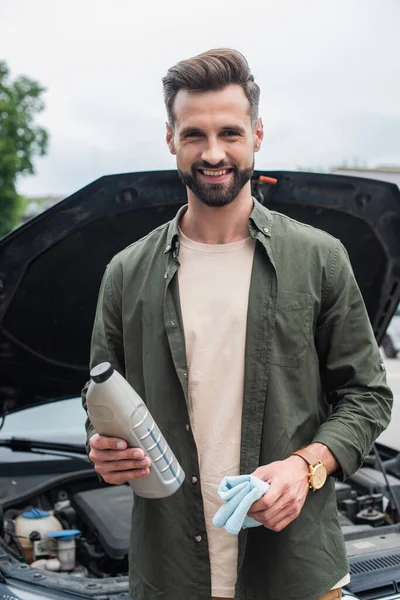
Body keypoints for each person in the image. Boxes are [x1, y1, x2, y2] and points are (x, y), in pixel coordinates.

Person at [81, 48, 393, 600]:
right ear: (171, 139)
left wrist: (305, 467)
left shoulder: (319, 258)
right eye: (194, 134)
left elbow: (366, 396)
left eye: (229, 132)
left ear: (257, 133)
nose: (213, 152)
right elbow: (101, 402)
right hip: (171, 576)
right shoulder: (126, 274)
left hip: (296, 574)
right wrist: (103, 449)